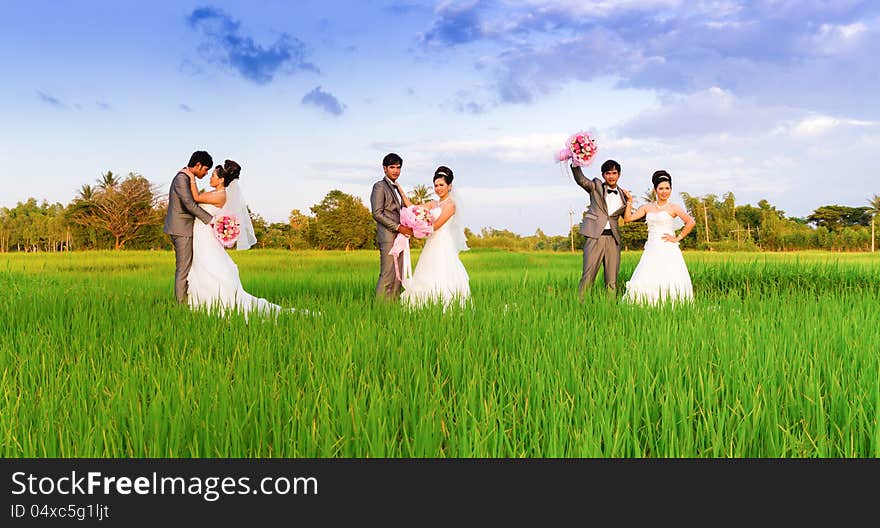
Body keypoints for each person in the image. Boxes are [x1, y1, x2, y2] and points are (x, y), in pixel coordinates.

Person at [185, 159, 286, 315]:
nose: (210, 178)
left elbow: (196, 198)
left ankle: (216, 301)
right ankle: (202, 301)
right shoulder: (214, 192)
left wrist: (190, 177)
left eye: (212, 175)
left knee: (209, 265)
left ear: (221, 179)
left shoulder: (220, 195)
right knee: (202, 265)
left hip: (205, 236)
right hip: (200, 234)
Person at [398, 166, 470, 309]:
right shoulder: (433, 203)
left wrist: (413, 232)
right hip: (431, 244)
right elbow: (413, 208)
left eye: (441, 185)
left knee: (442, 274)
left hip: (443, 243)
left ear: (449, 186)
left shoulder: (450, 205)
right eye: (436, 185)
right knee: (426, 273)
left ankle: (445, 307)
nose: (438, 188)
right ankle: (425, 307)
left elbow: (435, 226)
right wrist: (400, 191)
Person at [621, 170, 696, 305]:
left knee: (670, 277)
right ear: (655, 190)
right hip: (652, 248)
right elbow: (627, 218)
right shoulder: (647, 207)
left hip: (668, 247)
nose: (664, 191)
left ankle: (671, 305)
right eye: (661, 188)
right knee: (648, 276)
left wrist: (677, 238)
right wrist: (629, 201)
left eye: (667, 188)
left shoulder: (674, 207)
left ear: (671, 190)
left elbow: (691, 222)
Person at [571, 159, 629, 299]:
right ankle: (581, 308)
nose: (611, 176)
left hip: (613, 240)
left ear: (619, 175)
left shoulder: (623, 195)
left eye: (614, 173)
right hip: (595, 237)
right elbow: (581, 180)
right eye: (608, 173)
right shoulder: (595, 186)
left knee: (612, 280)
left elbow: (628, 216)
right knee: (588, 277)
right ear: (603, 175)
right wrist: (575, 163)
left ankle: (610, 311)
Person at [164, 150, 216, 304]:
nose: (206, 174)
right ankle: (181, 305)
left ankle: (187, 300)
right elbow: (189, 204)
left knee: (186, 267)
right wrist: (211, 220)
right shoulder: (182, 178)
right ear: (198, 165)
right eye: (206, 169)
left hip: (182, 228)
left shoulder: (187, 177)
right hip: (182, 230)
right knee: (183, 268)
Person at [370, 153, 413, 300]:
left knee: (398, 275)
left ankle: (392, 308)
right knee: (388, 273)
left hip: (400, 238)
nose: (395, 170)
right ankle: (379, 310)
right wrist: (398, 227)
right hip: (388, 237)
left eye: (398, 167)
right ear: (384, 168)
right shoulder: (379, 186)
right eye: (392, 167)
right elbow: (377, 213)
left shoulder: (397, 188)